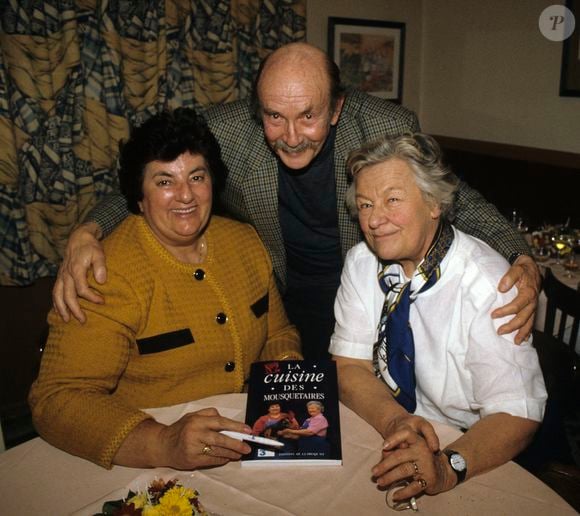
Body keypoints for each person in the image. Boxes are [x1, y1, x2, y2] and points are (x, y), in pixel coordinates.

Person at [52, 43, 540, 359]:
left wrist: (518, 251)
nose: (289, 137)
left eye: (307, 116)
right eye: (273, 117)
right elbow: (149, 176)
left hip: (370, 292)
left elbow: (454, 196)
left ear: (337, 108)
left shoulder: (384, 127)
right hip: (286, 302)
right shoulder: (227, 132)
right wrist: (88, 231)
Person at [29, 108, 302, 470]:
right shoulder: (104, 273)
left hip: (244, 442)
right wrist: (161, 443)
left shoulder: (245, 241)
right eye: (164, 181)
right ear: (139, 197)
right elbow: (56, 399)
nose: (185, 195)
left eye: (197, 176)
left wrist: (285, 377)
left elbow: (277, 332)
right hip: (144, 462)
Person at [330, 133, 547, 502]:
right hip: (389, 427)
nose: (375, 219)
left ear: (433, 203)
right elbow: (349, 365)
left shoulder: (487, 282)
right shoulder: (361, 263)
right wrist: (395, 421)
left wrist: (448, 468)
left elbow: (517, 413)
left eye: (392, 200)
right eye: (365, 205)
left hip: (474, 447)